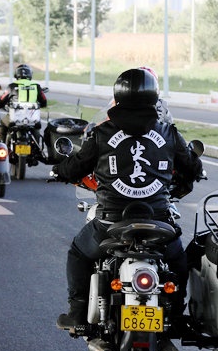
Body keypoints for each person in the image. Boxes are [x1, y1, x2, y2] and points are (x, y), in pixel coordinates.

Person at [51, 68, 203, 330]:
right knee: (179, 261)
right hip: (158, 221)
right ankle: (176, 314)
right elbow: (192, 167)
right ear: (154, 97)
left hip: (110, 222)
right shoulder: (168, 132)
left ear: (117, 96)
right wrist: (193, 169)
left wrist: (59, 170)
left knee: (78, 254)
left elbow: (76, 167)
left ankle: (77, 312)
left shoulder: (101, 133)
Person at [0, 63, 48, 145]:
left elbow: (1, 101)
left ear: (16, 74)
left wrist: (0, 104)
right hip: (32, 118)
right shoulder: (36, 86)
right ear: (30, 74)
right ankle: (37, 147)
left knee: (3, 124)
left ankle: (1, 146)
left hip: (14, 117)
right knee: (36, 130)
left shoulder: (12, 86)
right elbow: (44, 102)